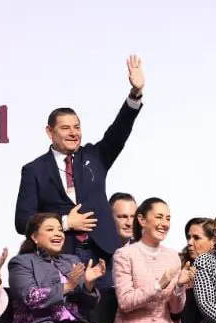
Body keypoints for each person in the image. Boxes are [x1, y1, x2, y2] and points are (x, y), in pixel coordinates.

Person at [14, 54, 145, 286]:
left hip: (103, 253)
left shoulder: (95, 156)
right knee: (70, 318)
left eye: (77, 127)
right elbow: (22, 221)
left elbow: (119, 131)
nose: (74, 133)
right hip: (60, 257)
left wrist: (134, 95)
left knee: (104, 312)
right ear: (49, 131)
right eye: (65, 128)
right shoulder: (34, 170)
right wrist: (65, 222)